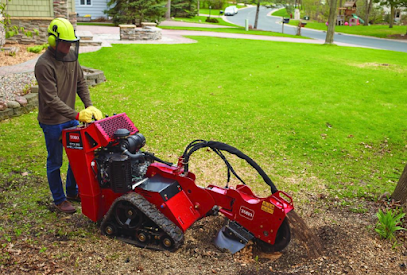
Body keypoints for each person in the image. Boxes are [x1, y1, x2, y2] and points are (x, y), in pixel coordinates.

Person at [35, 18, 103, 214]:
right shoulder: (43, 65)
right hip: (52, 121)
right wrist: (77, 113)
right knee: (55, 161)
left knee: (77, 156)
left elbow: (81, 83)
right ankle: (59, 199)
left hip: (72, 117)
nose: (69, 47)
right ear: (53, 42)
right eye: (65, 43)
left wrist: (89, 106)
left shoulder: (71, 57)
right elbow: (51, 99)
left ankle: (72, 191)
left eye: (71, 43)